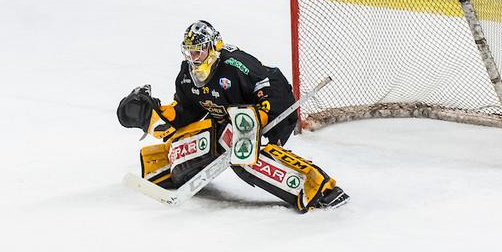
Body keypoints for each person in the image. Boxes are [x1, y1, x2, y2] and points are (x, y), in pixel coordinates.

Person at [117, 20, 349, 212]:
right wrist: (155, 117)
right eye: (190, 52)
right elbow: (186, 111)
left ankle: (316, 187)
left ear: (213, 47)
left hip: (271, 114)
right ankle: (164, 168)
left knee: (238, 148)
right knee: (208, 139)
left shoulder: (236, 65)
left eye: (198, 51)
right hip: (229, 120)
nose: (193, 57)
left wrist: (262, 115)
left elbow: (274, 84)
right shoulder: (187, 74)